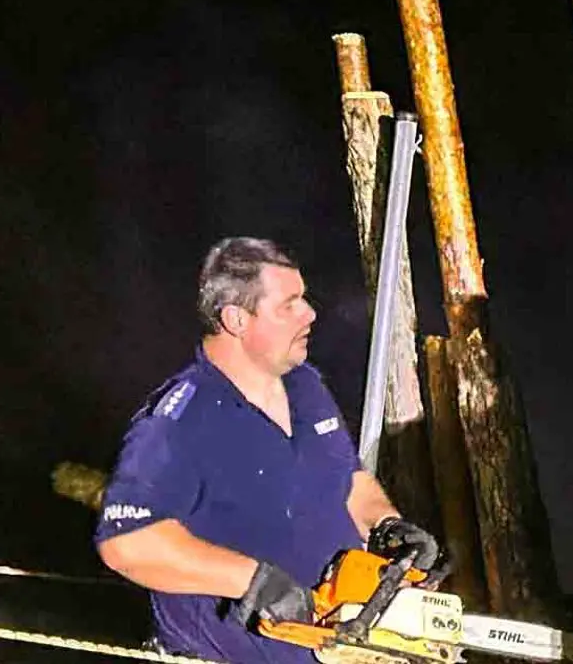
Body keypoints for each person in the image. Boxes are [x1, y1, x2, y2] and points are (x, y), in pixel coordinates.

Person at [95, 237, 439, 663]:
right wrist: (253, 581)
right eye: (289, 305)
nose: (310, 313)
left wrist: (386, 526)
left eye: (304, 299)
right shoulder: (180, 420)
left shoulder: (306, 385)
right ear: (236, 319)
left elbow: (348, 482)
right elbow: (127, 544)